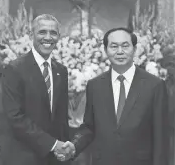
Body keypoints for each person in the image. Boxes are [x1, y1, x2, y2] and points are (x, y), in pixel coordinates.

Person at [58, 27, 169, 165]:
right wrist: (74, 145)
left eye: (125, 46)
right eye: (114, 46)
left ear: (134, 49)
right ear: (105, 50)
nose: (120, 51)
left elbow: (161, 137)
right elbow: (89, 127)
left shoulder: (154, 85)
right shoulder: (95, 85)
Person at [0, 14, 72, 165]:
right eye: (42, 32)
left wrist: (65, 147)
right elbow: (16, 117)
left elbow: (62, 118)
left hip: (52, 159)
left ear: (59, 37)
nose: (48, 37)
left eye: (53, 33)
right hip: (20, 157)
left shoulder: (61, 71)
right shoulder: (14, 69)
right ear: (32, 35)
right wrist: (52, 144)